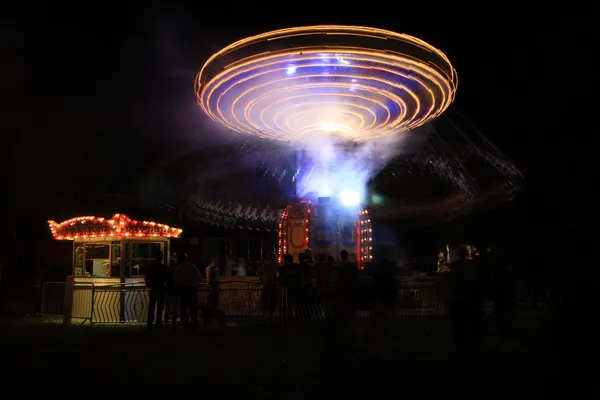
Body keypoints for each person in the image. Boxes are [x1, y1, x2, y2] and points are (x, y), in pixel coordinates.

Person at [174, 252, 200, 331]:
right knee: (193, 309)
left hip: (183, 290)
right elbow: (198, 277)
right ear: (186, 258)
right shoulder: (193, 267)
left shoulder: (178, 269)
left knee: (184, 310)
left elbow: (176, 281)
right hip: (192, 290)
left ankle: (185, 326)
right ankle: (193, 325)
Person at [145, 250, 167, 329]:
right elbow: (166, 278)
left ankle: (150, 322)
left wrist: (149, 284)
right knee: (160, 307)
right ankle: (159, 323)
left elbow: (147, 277)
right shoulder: (164, 267)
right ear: (161, 258)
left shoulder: (151, 267)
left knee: (151, 306)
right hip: (161, 289)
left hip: (153, 289)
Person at [258, 253, 279, 317]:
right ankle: (265, 313)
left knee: (271, 299)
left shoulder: (276, 265)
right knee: (266, 298)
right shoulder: (267, 265)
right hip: (268, 283)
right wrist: (261, 279)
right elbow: (259, 272)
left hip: (272, 284)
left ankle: (269, 313)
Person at [163, 256, 178, 328]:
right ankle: (174, 323)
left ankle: (166, 322)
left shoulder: (167, 271)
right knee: (174, 308)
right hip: (174, 292)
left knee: (167, 308)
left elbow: (165, 281)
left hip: (168, 291)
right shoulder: (176, 271)